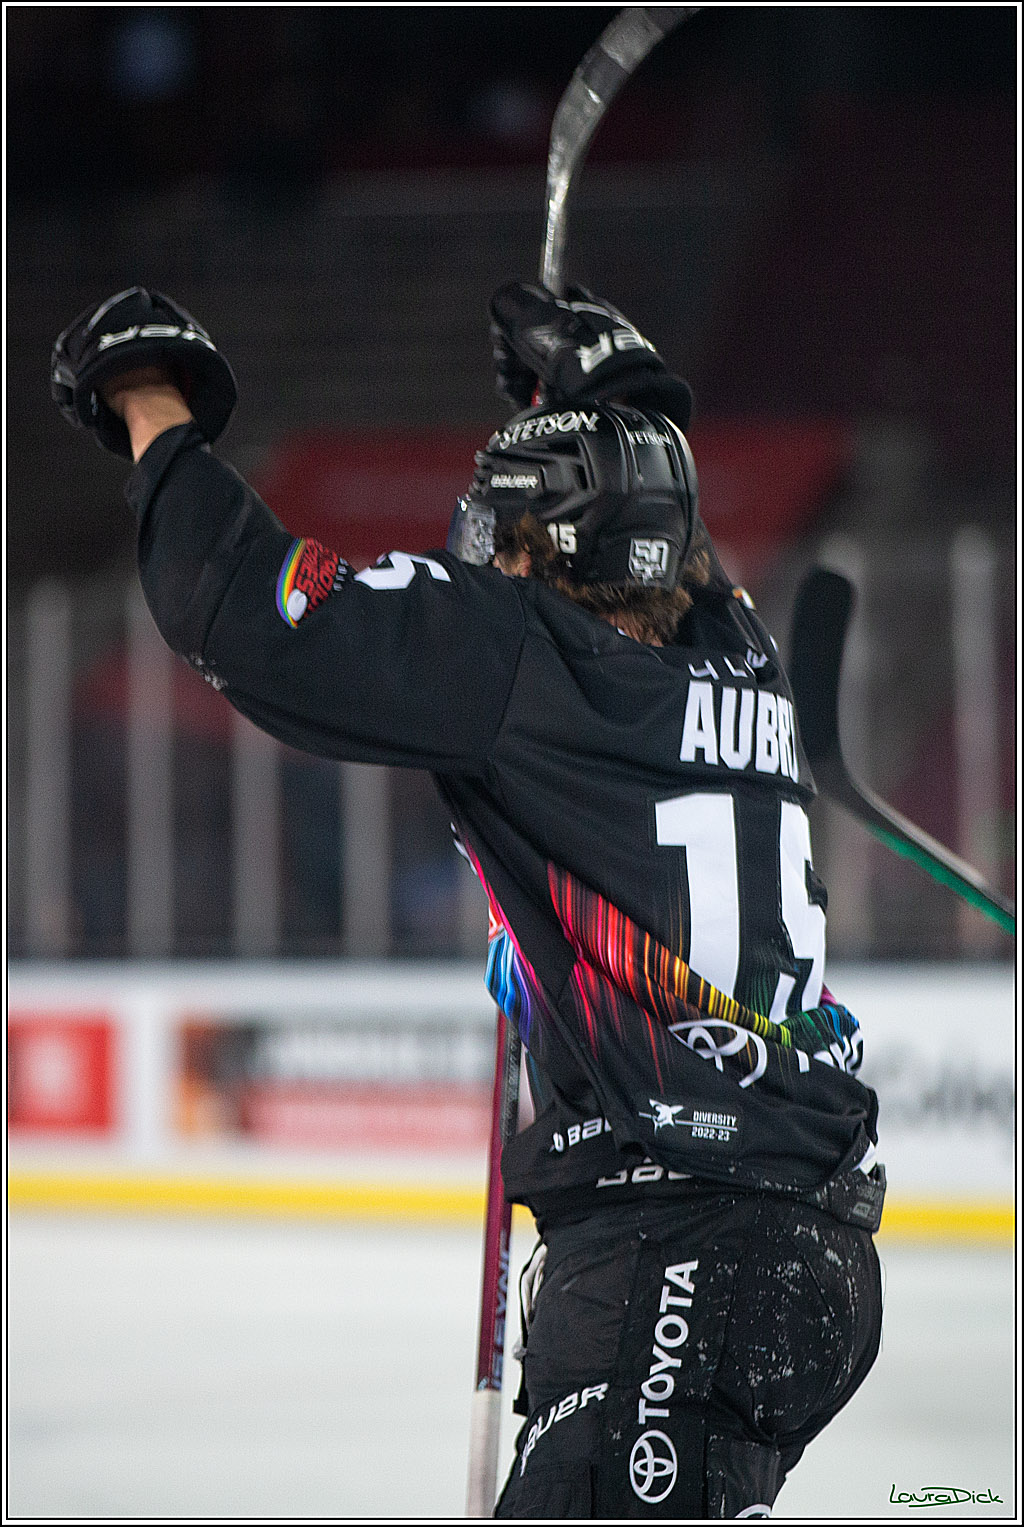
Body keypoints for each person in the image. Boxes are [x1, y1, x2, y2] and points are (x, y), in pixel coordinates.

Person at [51, 282, 885, 1519]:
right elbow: (655, 518)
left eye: (498, 532)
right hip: (802, 1250)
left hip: (679, 1252)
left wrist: (149, 402)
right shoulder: (731, 641)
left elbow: (241, 607)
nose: (476, 552)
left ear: (542, 553)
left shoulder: (511, 650)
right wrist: (611, 382)